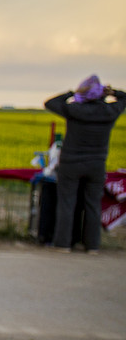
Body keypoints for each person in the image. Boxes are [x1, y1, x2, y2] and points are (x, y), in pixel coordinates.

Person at [43, 75, 124, 253]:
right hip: (96, 163)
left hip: (70, 163)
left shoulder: (75, 109)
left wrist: (73, 93)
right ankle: (92, 246)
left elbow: (50, 103)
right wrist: (113, 92)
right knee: (93, 205)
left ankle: (63, 244)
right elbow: (124, 98)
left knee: (67, 203)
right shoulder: (109, 111)